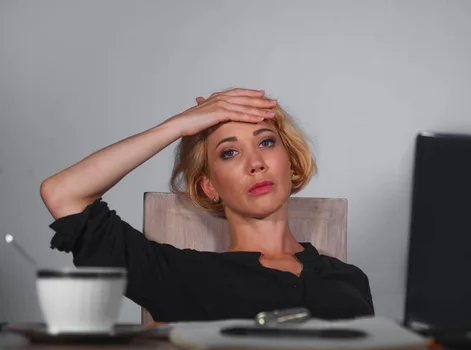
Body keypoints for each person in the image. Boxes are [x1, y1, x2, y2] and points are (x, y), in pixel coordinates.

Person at [40, 88, 374, 322]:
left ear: (292, 164)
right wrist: (179, 125)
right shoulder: (179, 277)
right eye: (230, 152)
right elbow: (64, 193)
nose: (255, 163)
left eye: (266, 142)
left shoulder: (350, 278)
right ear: (209, 186)